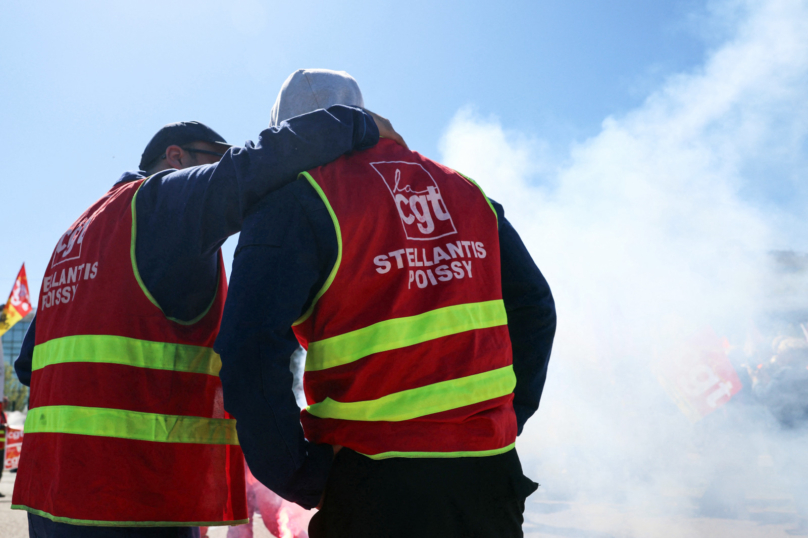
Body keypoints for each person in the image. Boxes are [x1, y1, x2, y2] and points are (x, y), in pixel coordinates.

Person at [13, 106, 401, 538]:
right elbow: (251, 168)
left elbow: (28, 365)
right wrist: (361, 123)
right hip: (136, 500)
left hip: (51, 500)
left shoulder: (77, 235)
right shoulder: (160, 204)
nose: (219, 167)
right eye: (212, 159)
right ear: (175, 158)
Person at [216, 69, 556, 537]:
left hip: (373, 484)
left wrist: (299, 472)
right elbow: (535, 308)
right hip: (488, 478)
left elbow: (249, 349)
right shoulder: (469, 192)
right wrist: (510, 415)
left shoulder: (296, 202)